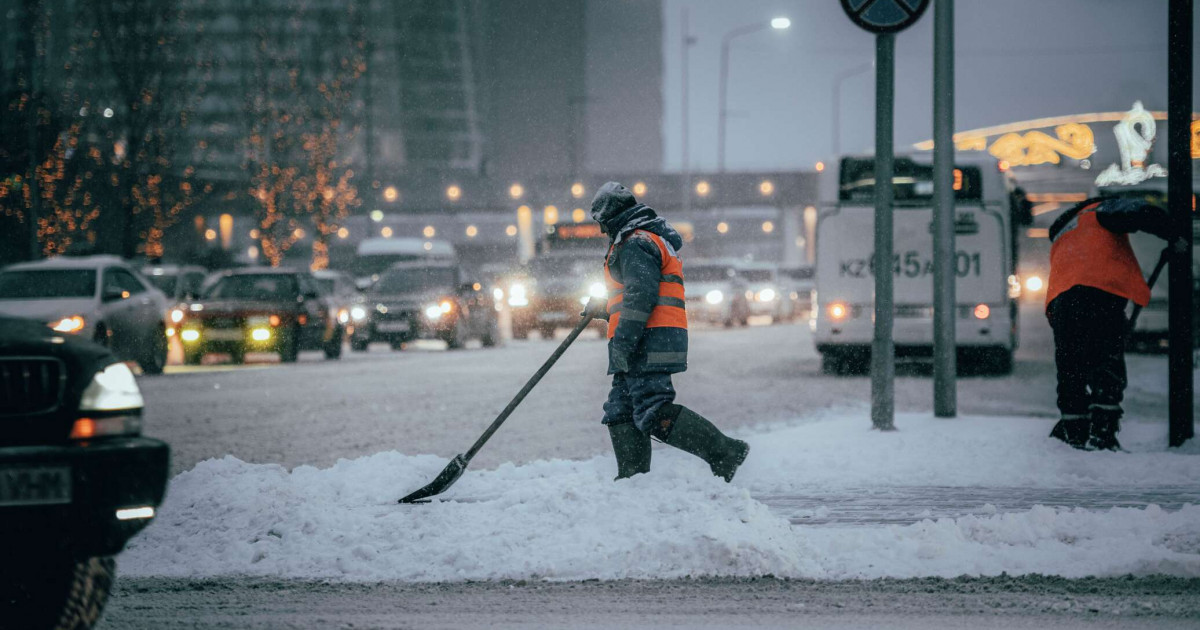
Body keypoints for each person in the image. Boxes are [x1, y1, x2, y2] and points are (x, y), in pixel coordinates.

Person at [584, 181, 750, 482]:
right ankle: (632, 481)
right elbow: (634, 295)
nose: (600, 230)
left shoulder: (636, 242)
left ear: (611, 215)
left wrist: (624, 342)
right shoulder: (638, 239)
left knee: (652, 409)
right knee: (621, 410)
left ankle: (724, 451)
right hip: (643, 337)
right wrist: (607, 308)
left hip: (646, 340)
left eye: (601, 221)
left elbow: (641, 297)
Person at [1044, 196, 1179, 451]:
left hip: (1060, 301)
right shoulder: (1101, 209)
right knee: (1106, 362)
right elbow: (1138, 212)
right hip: (1096, 293)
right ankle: (1102, 434)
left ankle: (1074, 432)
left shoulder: (1065, 228)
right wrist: (1173, 231)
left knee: (1071, 368)